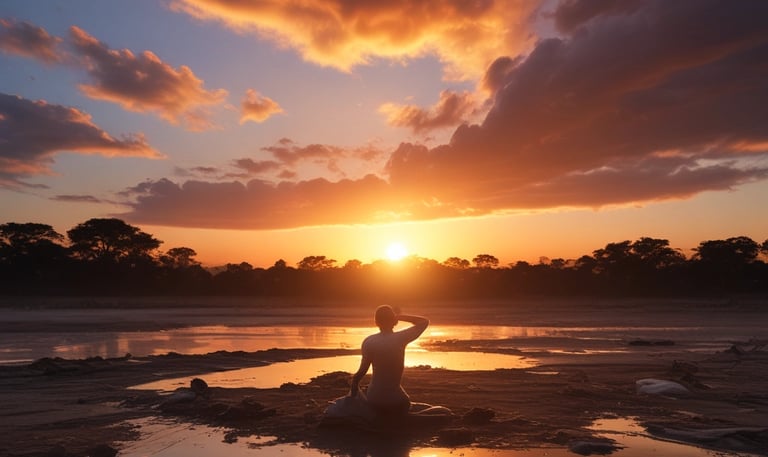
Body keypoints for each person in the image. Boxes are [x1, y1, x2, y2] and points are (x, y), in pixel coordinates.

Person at [349, 305, 429, 417]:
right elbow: (424, 322)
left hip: (374, 398)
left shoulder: (369, 341)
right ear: (394, 321)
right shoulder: (401, 338)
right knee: (408, 404)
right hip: (395, 401)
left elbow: (360, 373)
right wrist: (399, 316)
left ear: (376, 322)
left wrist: (353, 392)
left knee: (371, 389)